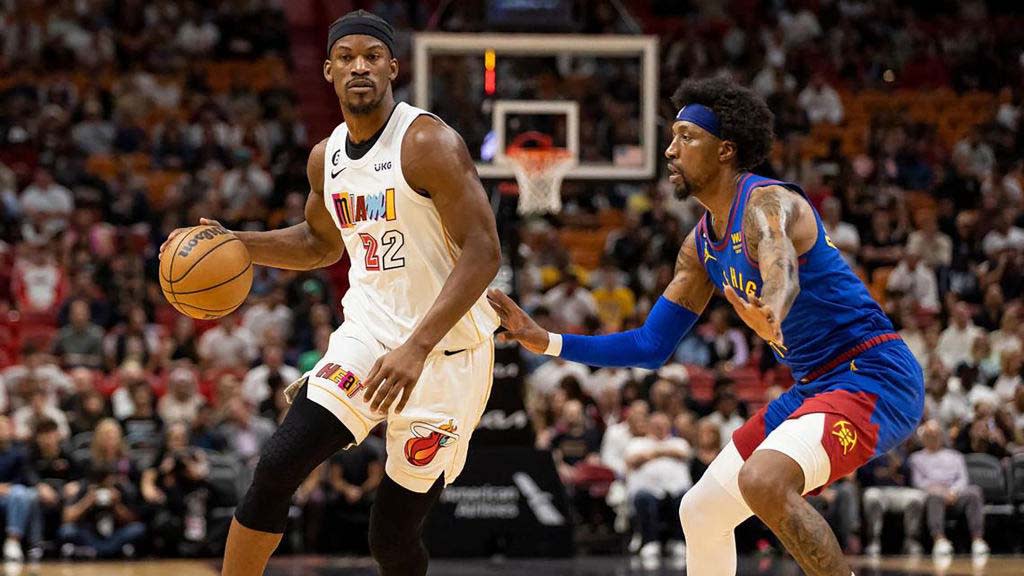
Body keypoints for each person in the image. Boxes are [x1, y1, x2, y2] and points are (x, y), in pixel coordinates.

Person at [489, 77, 924, 576]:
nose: (670, 150)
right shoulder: (699, 247)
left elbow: (779, 260)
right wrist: (547, 340)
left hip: (872, 375)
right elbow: (651, 346)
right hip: (816, 386)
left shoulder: (766, 203)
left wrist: (772, 309)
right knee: (700, 511)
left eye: (685, 137)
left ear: (725, 150)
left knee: (763, 481)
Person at [161, 10, 500, 576]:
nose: (359, 66)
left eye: (372, 56)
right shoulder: (327, 157)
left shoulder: (428, 142)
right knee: (276, 466)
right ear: (327, 70)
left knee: (391, 539)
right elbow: (321, 243)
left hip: (445, 355)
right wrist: (235, 241)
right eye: (346, 57)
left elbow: (484, 252)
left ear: (393, 67)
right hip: (366, 340)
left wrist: (416, 346)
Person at [908, 420, 989, 557]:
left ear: (941, 436)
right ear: (923, 437)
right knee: (934, 497)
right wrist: (941, 491)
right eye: (929, 434)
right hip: (934, 495)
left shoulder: (955, 456)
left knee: (974, 491)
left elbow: (963, 479)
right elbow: (918, 482)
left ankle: (977, 540)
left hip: (956, 494)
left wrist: (953, 491)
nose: (933, 437)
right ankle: (939, 540)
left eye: (936, 434)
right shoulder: (916, 458)